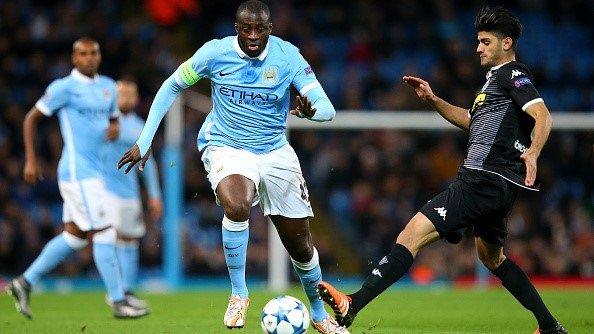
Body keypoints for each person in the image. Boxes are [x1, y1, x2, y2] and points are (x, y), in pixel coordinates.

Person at [317, 6, 567, 334]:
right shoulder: (493, 84)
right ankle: (549, 326)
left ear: (507, 43)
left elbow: (543, 115)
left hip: (481, 178)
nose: (478, 47)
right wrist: (434, 100)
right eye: (478, 41)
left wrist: (533, 152)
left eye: (485, 42)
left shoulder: (512, 74)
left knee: (411, 235)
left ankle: (352, 306)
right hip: (499, 185)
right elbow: (471, 120)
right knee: (492, 258)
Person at [118, 1, 348, 333]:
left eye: (260, 29)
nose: (253, 35)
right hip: (226, 145)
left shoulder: (288, 57)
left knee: (300, 245)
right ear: (236, 27)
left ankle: (318, 314)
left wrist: (311, 112)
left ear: (270, 29)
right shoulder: (214, 53)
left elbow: (327, 109)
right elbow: (172, 85)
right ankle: (239, 292)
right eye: (246, 28)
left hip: (275, 151)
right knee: (237, 203)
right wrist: (144, 138)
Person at [5, 38, 148, 319]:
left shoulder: (108, 86)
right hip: (77, 172)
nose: (89, 58)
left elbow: (113, 117)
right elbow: (30, 119)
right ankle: (119, 301)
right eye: (82, 54)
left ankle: (24, 282)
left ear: (99, 55)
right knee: (106, 231)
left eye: (93, 53)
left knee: (75, 236)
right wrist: (31, 159)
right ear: (74, 58)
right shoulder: (63, 88)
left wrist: (115, 126)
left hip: (95, 173)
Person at [101, 79, 163, 309]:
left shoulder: (140, 127)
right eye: (121, 93)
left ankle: (126, 290)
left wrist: (155, 194)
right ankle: (115, 291)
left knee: (130, 240)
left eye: (129, 94)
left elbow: (150, 163)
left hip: (131, 193)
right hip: (105, 190)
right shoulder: (103, 123)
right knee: (113, 237)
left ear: (136, 99)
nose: (124, 98)